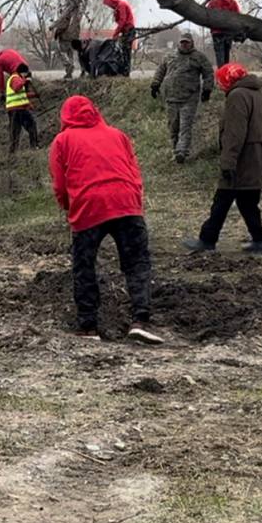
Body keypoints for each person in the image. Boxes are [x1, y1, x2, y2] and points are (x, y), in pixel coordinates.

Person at [49, 96, 162, 343]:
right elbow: (134, 171)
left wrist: (70, 208)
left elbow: (59, 184)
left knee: (84, 266)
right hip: (126, 204)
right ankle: (141, 320)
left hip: (88, 207)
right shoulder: (118, 135)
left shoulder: (63, 141)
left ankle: (88, 326)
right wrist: (134, 200)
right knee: (137, 262)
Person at [182, 64, 262, 255]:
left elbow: (234, 133)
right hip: (258, 157)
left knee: (222, 200)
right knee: (247, 201)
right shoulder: (259, 94)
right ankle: (261, 239)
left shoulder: (237, 96)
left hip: (242, 159)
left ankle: (207, 240)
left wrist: (228, 162)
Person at [150, 35, 214, 163]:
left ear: (192, 43)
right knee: (173, 127)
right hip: (171, 98)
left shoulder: (198, 57)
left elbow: (208, 73)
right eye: (182, 42)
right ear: (179, 43)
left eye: (187, 43)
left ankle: (182, 152)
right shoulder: (170, 56)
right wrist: (155, 84)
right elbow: (160, 71)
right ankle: (175, 150)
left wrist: (207, 89)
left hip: (189, 98)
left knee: (185, 126)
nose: (184, 45)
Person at [5, 61, 41, 152]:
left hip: (14, 110)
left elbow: (21, 95)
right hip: (19, 109)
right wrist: (26, 81)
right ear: (23, 73)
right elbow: (17, 88)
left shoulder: (15, 78)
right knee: (32, 126)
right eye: (25, 74)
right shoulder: (16, 78)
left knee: (15, 132)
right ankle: (34, 147)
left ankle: (13, 152)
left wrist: (34, 95)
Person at [50, 0, 84, 79]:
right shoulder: (77, 10)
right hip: (74, 36)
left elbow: (62, 21)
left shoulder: (68, 9)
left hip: (66, 35)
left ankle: (68, 66)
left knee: (58, 51)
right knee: (70, 53)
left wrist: (53, 26)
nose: (65, 1)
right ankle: (71, 71)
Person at [207, 0, 241, 66]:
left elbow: (207, 16)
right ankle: (226, 74)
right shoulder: (233, 3)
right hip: (228, 32)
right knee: (226, 56)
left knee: (219, 56)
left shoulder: (213, 2)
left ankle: (221, 74)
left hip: (217, 32)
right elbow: (238, 18)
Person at [102, 0, 136, 74]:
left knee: (126, 52)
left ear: (111, 1)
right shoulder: (118, 7)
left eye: (109, 4)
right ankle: (122, 71)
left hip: (129, 31)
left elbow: (122, 21)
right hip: (125, 31)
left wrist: (116, 33)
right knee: (122, 51)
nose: (109, 6)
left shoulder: (121, 5)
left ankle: (125, 72)